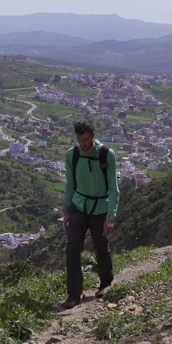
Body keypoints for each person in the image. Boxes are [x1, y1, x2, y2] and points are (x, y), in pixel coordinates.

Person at [61, 120, 119, 309]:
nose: (83, 143)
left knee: (101, 247)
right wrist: (66, 209)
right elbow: (70, 183)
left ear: (92, 136)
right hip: (79, 205)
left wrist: (111, 216)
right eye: (79, 140)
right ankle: (74, 294)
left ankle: (105, 283)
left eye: (85, 139)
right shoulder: (73, 155)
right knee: (72, 250)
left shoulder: (106, 155)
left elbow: (113, 188)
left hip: (100, 207)